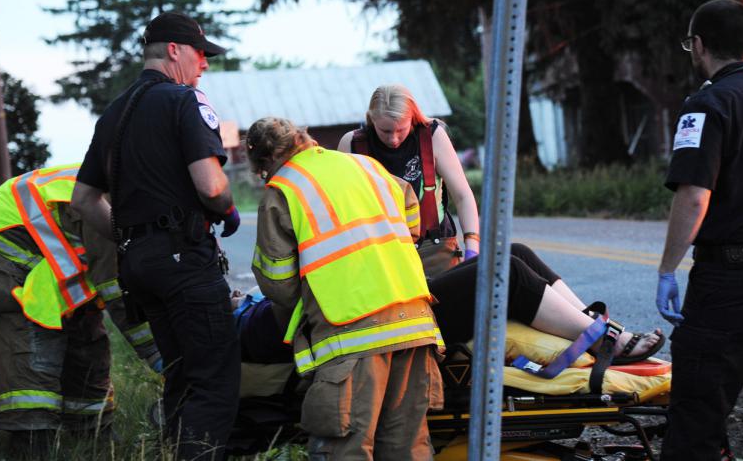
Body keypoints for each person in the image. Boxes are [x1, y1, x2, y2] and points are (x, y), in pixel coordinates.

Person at [71, 11, 241, 460]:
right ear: (174, 51)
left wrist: (132, 237)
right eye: (201, 54)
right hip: (185, 262)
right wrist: (226, 207)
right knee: (214, 379)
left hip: (140, 268)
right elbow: (211, 185)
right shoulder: (186, 101)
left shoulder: (113, 114)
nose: (205, 64)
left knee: (182, 374)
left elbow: (84, 200)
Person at [247, 116, 444, 460]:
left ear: (265, 161)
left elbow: (278, 285)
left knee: (346, 448)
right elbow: (412, 213)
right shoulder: (367, 166)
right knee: (407, 446)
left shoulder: (283, 191)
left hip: (352, 338)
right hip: (415, 325)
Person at [656, 0, 743, 460]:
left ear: (699, 45)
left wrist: (668, 269)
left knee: (696, 417)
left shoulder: (705, 105)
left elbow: (693, 196)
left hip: (729, 283)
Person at [235, 243, 664, 366]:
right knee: (506, 273)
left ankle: (596, 324)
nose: (235, 293)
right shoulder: (253, 324)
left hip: (392, 301)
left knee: (514, 251)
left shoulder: (253, 304)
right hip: (391, 324)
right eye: (231, 297)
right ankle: (603, 340)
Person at [0, 164, 160, 458]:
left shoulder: (126, 188)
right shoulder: (106, 207)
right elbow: (118, 289)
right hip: (3, 257)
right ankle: (31, 441)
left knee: (88, 335)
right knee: (32, 342)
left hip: (42, 259)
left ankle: (92, 436)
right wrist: (158, 356)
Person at [338, 84, 479, 277]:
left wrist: (472, 247)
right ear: (371, 119)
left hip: (434, 250)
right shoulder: (352, 144)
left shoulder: (433, 136)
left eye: (401, 129)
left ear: (413, 116)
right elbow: (342, 207)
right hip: (379, 254)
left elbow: (462, 195)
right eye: (385, 131)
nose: (394, 139)